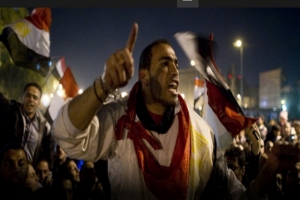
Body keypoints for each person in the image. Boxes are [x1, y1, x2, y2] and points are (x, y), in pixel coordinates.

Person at [52, 23, 300, 199]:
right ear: (144, 76)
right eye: (164, 64)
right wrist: (104, 85)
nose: (174, 71)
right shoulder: (119, 120)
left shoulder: (202, 134)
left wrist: (269, 171)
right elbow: (66, 135)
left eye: (176, 64)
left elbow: (237, 196)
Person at [0, 82, 56, 168]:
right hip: (6, 167)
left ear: (39, 102)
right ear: (23, 97)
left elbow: (49, 152)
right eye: (28, 95)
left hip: (27, 174)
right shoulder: (11, 111)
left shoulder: (45, 127)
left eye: (35, 97)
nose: (31, 99)